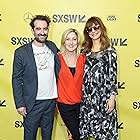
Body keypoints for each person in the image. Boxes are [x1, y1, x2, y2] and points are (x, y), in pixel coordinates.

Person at [12, 15, 60, 140]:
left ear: (48, 30)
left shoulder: (52, 47)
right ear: (33, 30)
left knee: (47, 136)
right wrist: (20, 104)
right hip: (32, 103)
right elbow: (16, 79)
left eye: (45, 29)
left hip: (50, 101)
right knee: (29, 137)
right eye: (38, 29)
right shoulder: (21, 52)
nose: (42, 32)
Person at [79, 16, 118, 140]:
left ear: (101, 28)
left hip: (104, 98)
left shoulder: (110, 51)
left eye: (96, 27)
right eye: (89, 29)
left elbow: (113, 76)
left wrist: (111, 98)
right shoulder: (84, 51)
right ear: (87, 32)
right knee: (87, 133)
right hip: (87, 99)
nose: (93, 31)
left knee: (104, 134)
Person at [57, 28, 85, 140]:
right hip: (64, 104)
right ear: (64, 41)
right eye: (68, 39)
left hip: (81, 104)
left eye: (74, 39)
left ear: (78, 41)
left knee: (80, 134)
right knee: (78, 135)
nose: (71, 42)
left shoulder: (83, 58)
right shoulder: (57, 58)